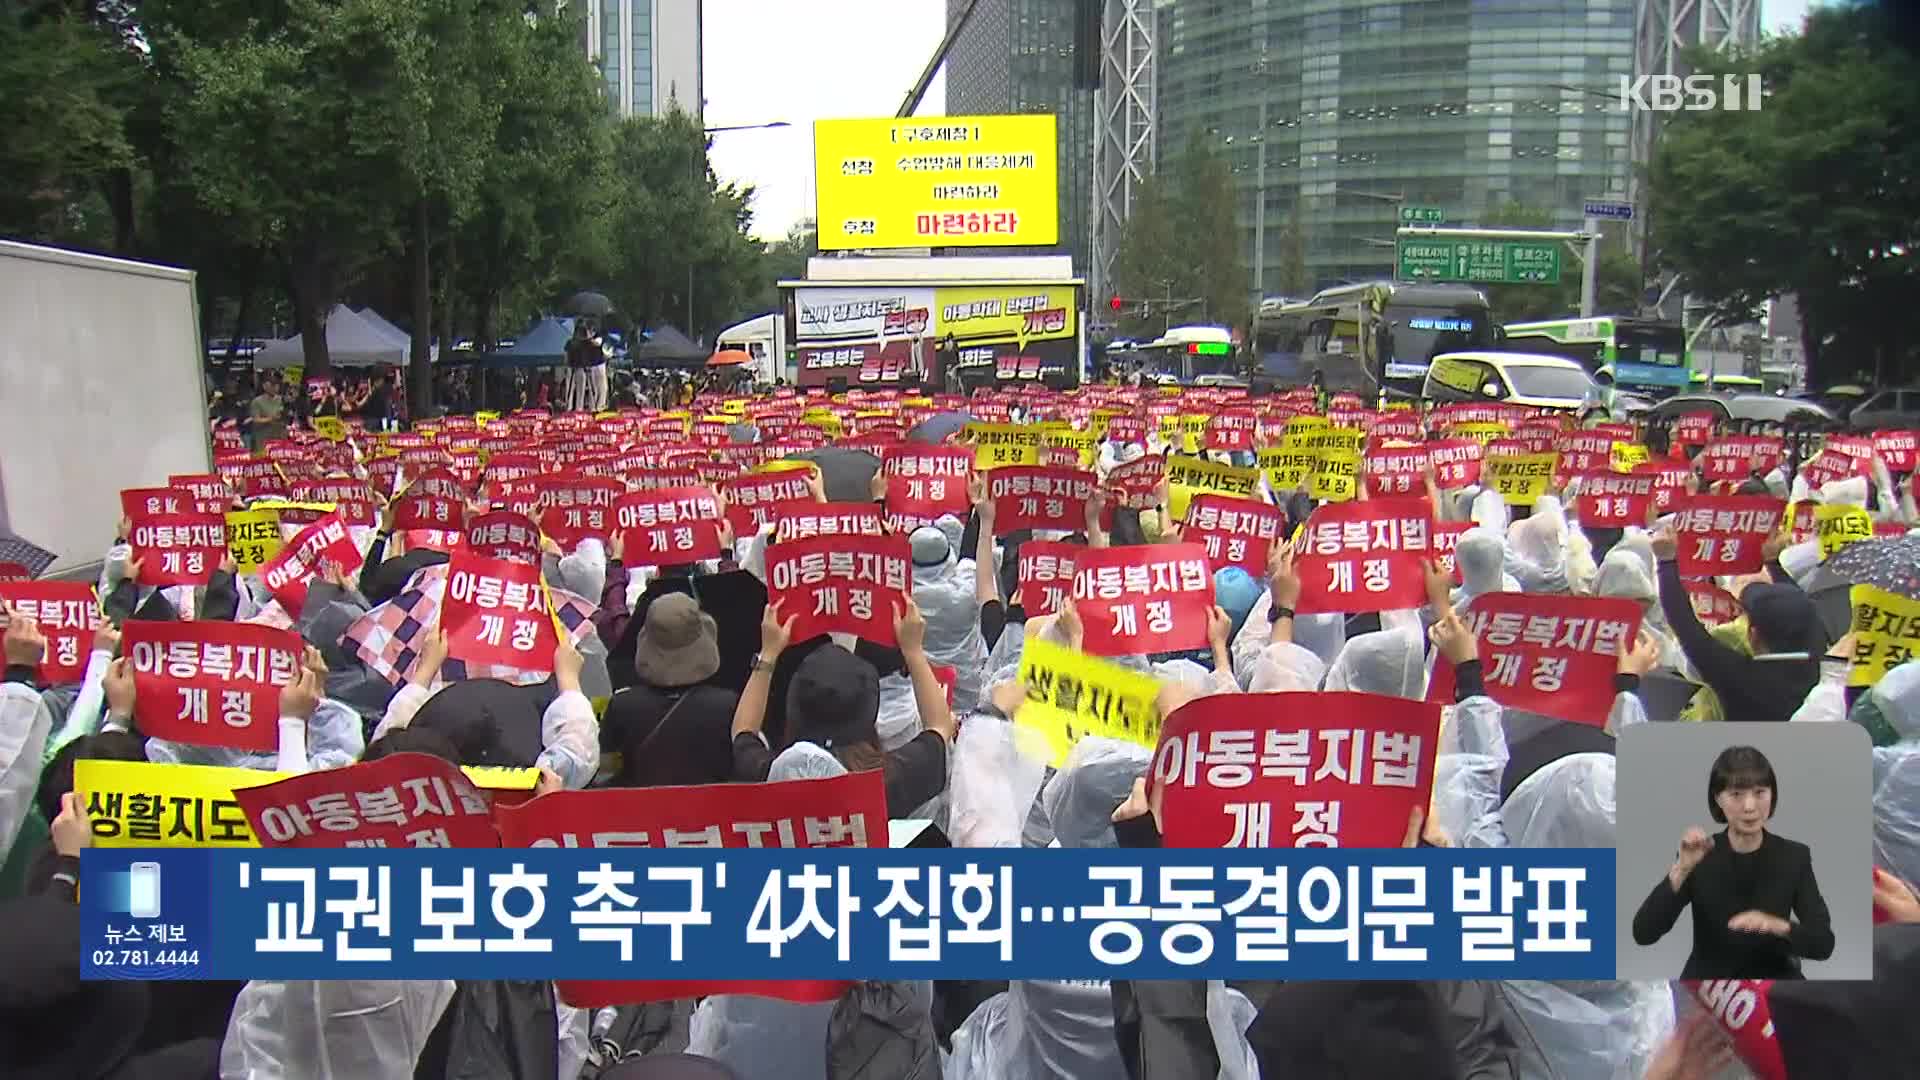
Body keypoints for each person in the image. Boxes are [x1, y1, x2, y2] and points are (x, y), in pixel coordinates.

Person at [1631, 745, 1834, 979]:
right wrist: (1682, 869)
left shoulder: (1794, 856)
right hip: (1710, 989)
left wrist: (1777, 926)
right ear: (1718, 798)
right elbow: (1643, 933)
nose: (1749, 807)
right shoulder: (1700, 853)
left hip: (1773, 986)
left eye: (1760, 792)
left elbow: (1823, 944)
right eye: (1736, 794)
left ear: (1772, 795)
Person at [248, 374, 287, 451]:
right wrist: (271, 418)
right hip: (263, 438)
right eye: (271, 386)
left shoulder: (282, 400)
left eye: (276, 386)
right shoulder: (257, 401)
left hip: (279, 436)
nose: (274, 388)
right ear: (264, 387)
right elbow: (256, 420)